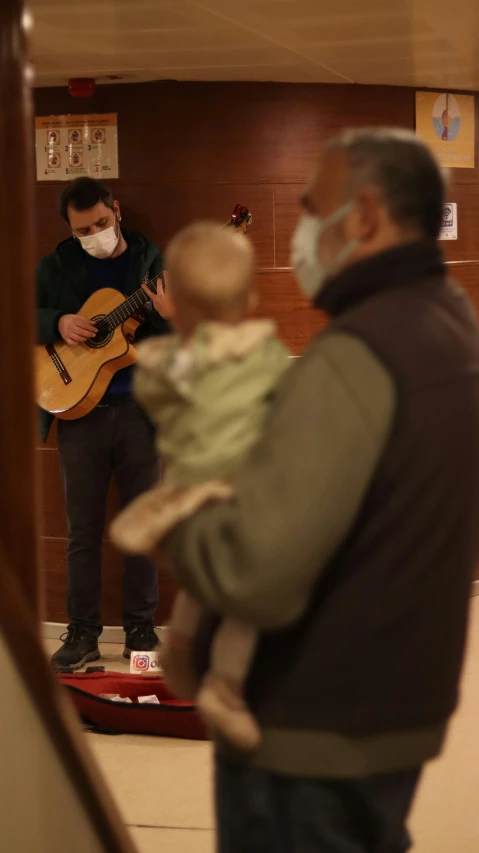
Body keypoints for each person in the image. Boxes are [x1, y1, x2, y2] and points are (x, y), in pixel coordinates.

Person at [164, 129, 479, 853]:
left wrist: (180, 524)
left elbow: (255, 571)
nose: (301, 231)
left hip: (306, 729)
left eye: (311, 208)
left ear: (364, 215)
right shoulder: (454, 325)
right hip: (397, 703)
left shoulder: (351, 358)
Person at [110, 222, 290, 751]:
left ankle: (181, 651)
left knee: (199, 586)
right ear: (251, 297)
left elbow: (157, 397)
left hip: (187, 502)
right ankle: (226, 689)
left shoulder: (165, 360)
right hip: (235, 500)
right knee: (242, 603)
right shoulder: (263, 353)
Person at [36, 177, 171, 671]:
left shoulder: (150, 261)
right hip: (78, 414)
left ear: (116, 210)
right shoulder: (54, 267)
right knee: (82, 532)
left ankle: (141, 630)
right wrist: (57, 323)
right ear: (68, 228)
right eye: (82, 229)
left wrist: (171, 316)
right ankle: (82, 633)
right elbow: (17, 317)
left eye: (100, 222)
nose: (94, 233)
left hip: (140, 412)